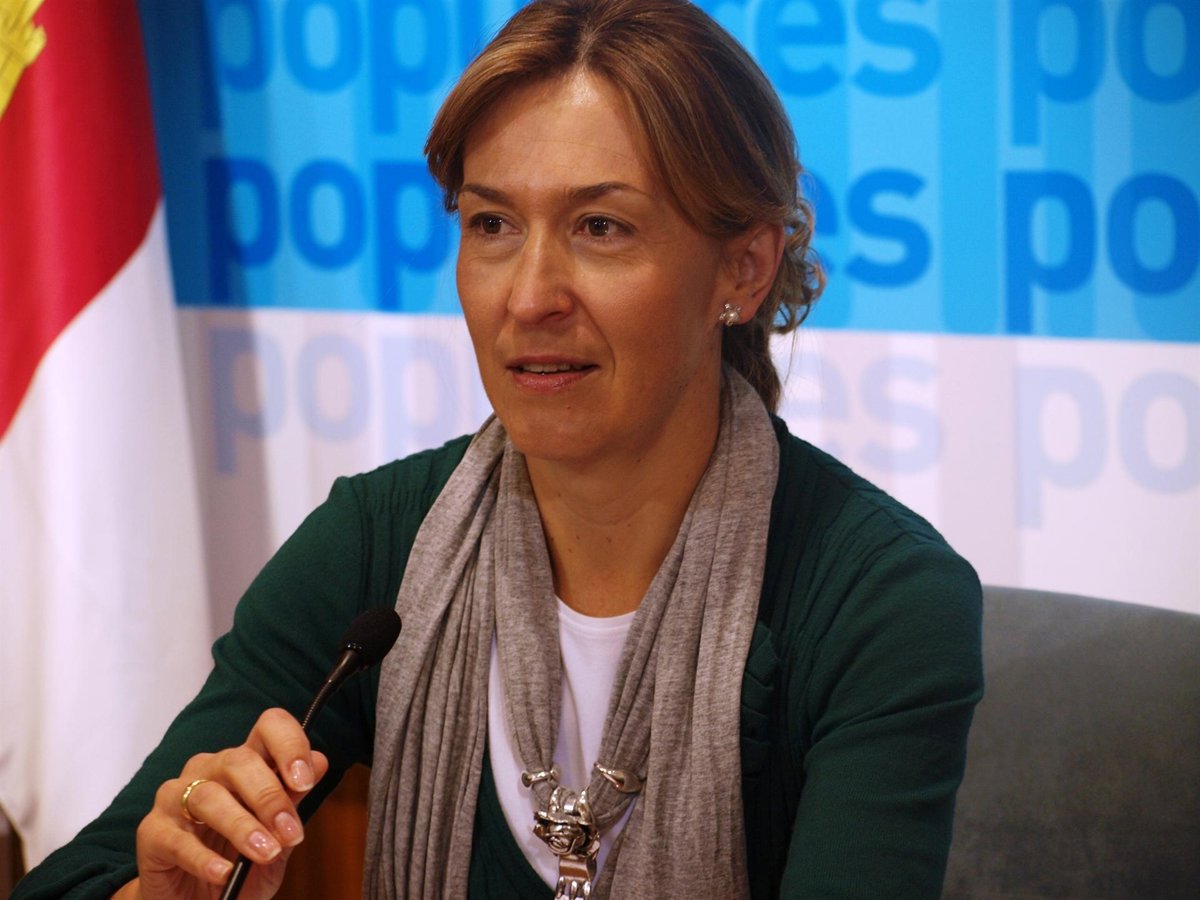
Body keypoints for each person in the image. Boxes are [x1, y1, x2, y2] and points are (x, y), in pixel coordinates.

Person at [14, 1, 983, 897]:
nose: (528, 296)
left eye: (600, 227)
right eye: (492, 225)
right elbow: (81, 880)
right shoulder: (380, 547)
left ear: (745, 266)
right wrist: (159, 893)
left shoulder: (877, 599)